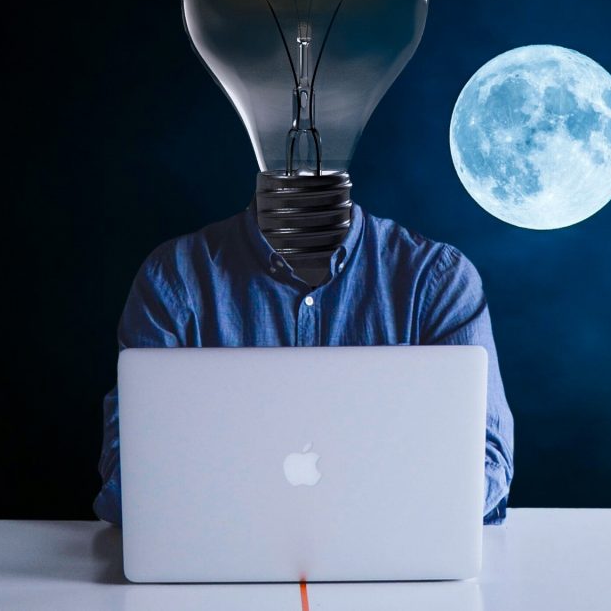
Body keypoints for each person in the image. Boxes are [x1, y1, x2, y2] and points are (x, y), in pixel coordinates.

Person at [94, 194, 515, 525]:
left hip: (396, 577)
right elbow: (125, 481)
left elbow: (487, 464)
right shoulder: (175, 279)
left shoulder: (437, 280)